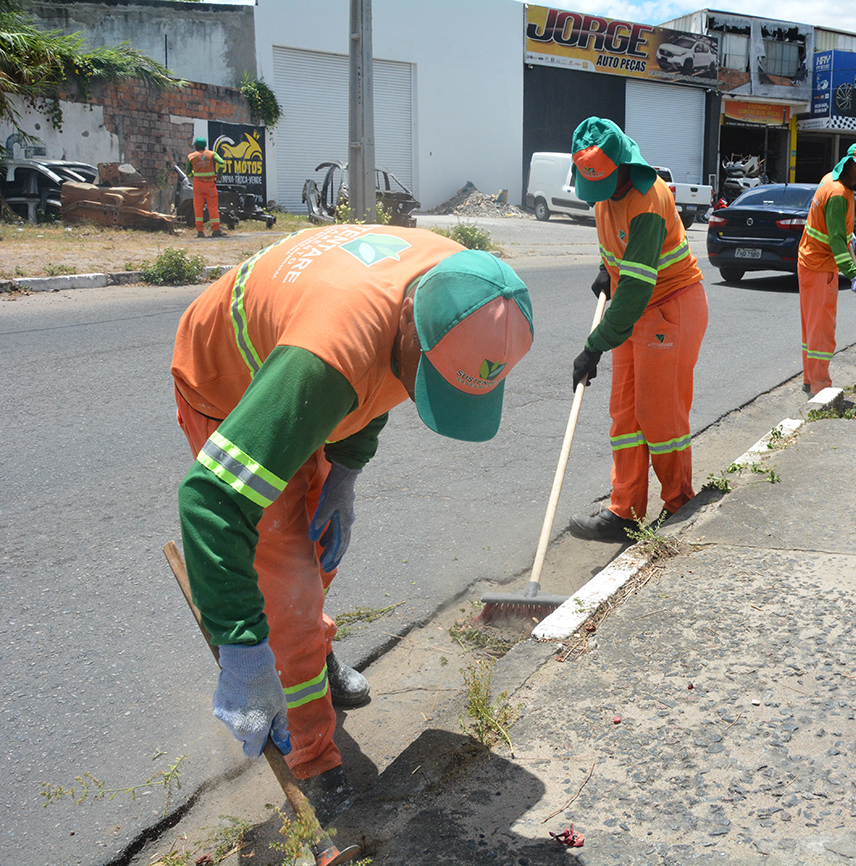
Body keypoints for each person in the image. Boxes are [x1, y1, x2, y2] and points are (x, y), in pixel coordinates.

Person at [172, 224, 533, 818]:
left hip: (310, 364)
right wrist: (242, 652)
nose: (420, 397)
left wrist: (343, 475)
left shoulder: (466, 284)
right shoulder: (328, 357)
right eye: (428, 380)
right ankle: (312, 753)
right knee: (286, 575)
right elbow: (211, 500)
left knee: (318, 547)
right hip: (234, 387)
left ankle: (311, 652)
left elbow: (385, 378)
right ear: (410, 321)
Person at [566, 117, 709, 542]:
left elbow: (635, 290)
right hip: (634, 309)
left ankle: (679, 504)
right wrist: (603, 269)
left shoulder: (648, 201)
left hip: (669, 307)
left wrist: (593, 347)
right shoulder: (604, 193)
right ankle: (624, 511)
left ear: (624, 165)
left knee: (659, 413)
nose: (600, 196)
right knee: (625, 413)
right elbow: (617, 246)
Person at [795, 142, 856, 394]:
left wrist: (843, 232)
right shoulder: (839, 194)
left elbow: (832, 228)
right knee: (822, 329)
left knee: (811, 324)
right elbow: (837, 241)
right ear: (849, 162)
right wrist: (854, 274)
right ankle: (821, 386)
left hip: (809, 260)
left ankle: (810, 378)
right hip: (820, 266)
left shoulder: (830, 179)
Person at [186, 136, 227, 238]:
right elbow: (221, 163)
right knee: (213, 207)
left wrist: (194, 174)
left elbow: (188, 172)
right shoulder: (212, 154)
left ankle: (200, 231)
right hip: (210, 185)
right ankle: (216, 230)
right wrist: (219, 175)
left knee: (198, 207)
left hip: (198, 186)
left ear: (196, 146)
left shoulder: (191, 156)